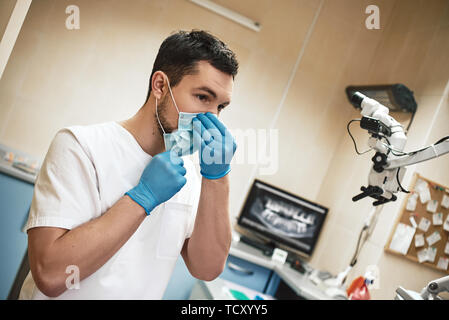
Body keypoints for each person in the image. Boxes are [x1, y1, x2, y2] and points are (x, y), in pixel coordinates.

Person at [19, 29, 239, 299]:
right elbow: (51, 275)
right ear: (160, 86)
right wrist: (141, 197)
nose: (212, 119)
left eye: (221, 107)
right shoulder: (81, 146)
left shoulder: (192, 176)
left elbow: (206, 268)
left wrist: (218, 177)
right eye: (203, 97)